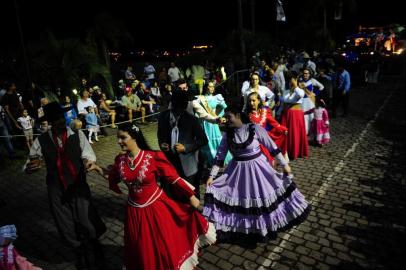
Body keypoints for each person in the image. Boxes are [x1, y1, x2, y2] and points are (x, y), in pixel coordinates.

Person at [104, 122, 216, 270]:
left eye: (123, 138)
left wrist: (190, 196)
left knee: (162, 242)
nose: (119, 141)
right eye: (118, 138)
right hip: (134, 212)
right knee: (141, 246)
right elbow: (112, 176)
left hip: (156, 208)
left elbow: (174, 178)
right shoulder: (120, 161)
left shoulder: (153, 157)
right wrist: (98, 169)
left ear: (135, 138)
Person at [203, 106, 310, 244]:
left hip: (260, 170)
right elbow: (219, 156)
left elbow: (272, 147)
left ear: (238, 115)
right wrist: (212, 176)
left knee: (263, 199)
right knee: (244, 200)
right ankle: (249, 230)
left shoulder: (254, 129)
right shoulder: (227, 136)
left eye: (229, 117)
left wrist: (285, 165)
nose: (226, 120)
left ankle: (265, 228)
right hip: (238, 173)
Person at [25, 101, 106, 269]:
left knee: (86, 218)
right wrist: (32, 166)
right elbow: (31, 162)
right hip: (56, 188)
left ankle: (96, 247)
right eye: (55, 119)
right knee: (65, 222)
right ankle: (79, 251)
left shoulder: (77, 134)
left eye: (61, 118)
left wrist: (87, 162)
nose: (60, 122)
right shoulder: (42, 140)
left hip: (78, 184)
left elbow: (88, 154)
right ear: (49, 122)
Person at [157, 90, 208, 199]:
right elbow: (160, 135)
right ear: (175, 103)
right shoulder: (162, 117)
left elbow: (203, 140)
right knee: (169, 194)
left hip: (187, 165)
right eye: (184, 102)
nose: (186, 105)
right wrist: (162, 144)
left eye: (187, 102)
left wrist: (186, 147)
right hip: (169, 163)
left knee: (189, 194)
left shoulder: (192, 120)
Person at [192, 81, 232, 167]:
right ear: (206, 87)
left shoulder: (217, 97)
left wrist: (220, 115)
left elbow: (225, 107)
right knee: (206, 140)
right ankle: (207, 160)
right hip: (204, 123)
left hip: (213, 123)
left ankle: (218, 159)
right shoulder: (200, 98)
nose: (212, 88)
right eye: (210, 86)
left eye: (213, 86)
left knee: (216, 140)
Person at [247, 92, 288, 164]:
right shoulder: (247, 114)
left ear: (258, 101)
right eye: (250, 101)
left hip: (264, 139)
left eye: (253, 100)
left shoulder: (264, 111)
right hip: (254, 141)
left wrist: (283, 129)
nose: (251, 103)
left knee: (268, 160)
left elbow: (274, 123)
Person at [280, 72, 309, 159]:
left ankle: (296, 152)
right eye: (289, 81)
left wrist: (296, 86)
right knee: (286, 134)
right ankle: (286, 151)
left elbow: (300, 95)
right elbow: (284, 100)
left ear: (296, 80)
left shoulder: (299, 91)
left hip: (296, 115)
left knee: (295, 133)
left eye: (292, 80)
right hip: (287, 114)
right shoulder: (286, 91)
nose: (290, 82)